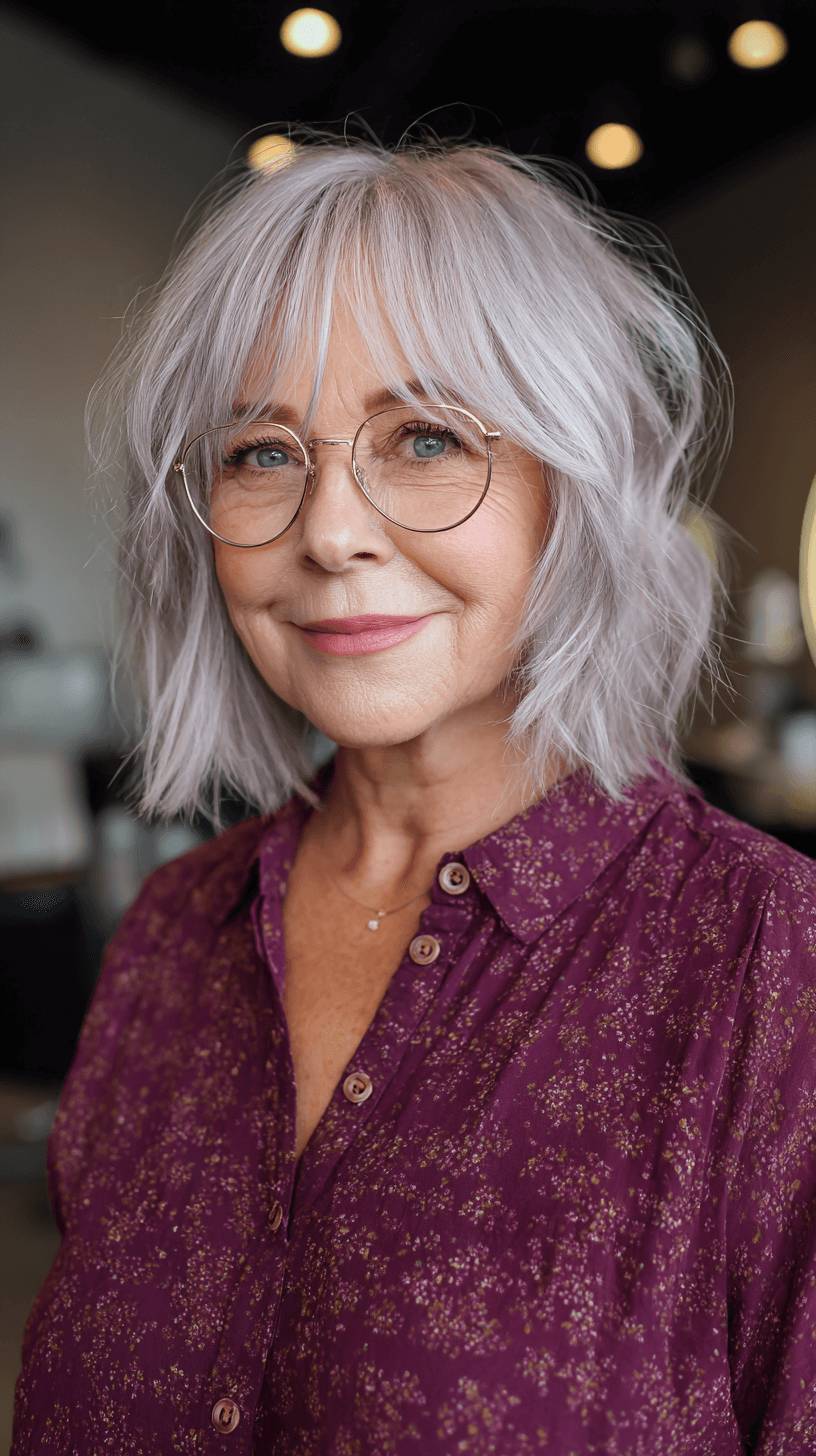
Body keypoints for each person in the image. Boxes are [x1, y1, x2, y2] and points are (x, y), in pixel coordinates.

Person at [12, 127, 816, 1454]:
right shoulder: (171, 937)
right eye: (262, 453)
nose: (330, 532)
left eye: (426, 436)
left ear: (575, 486)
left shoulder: (768, 964)